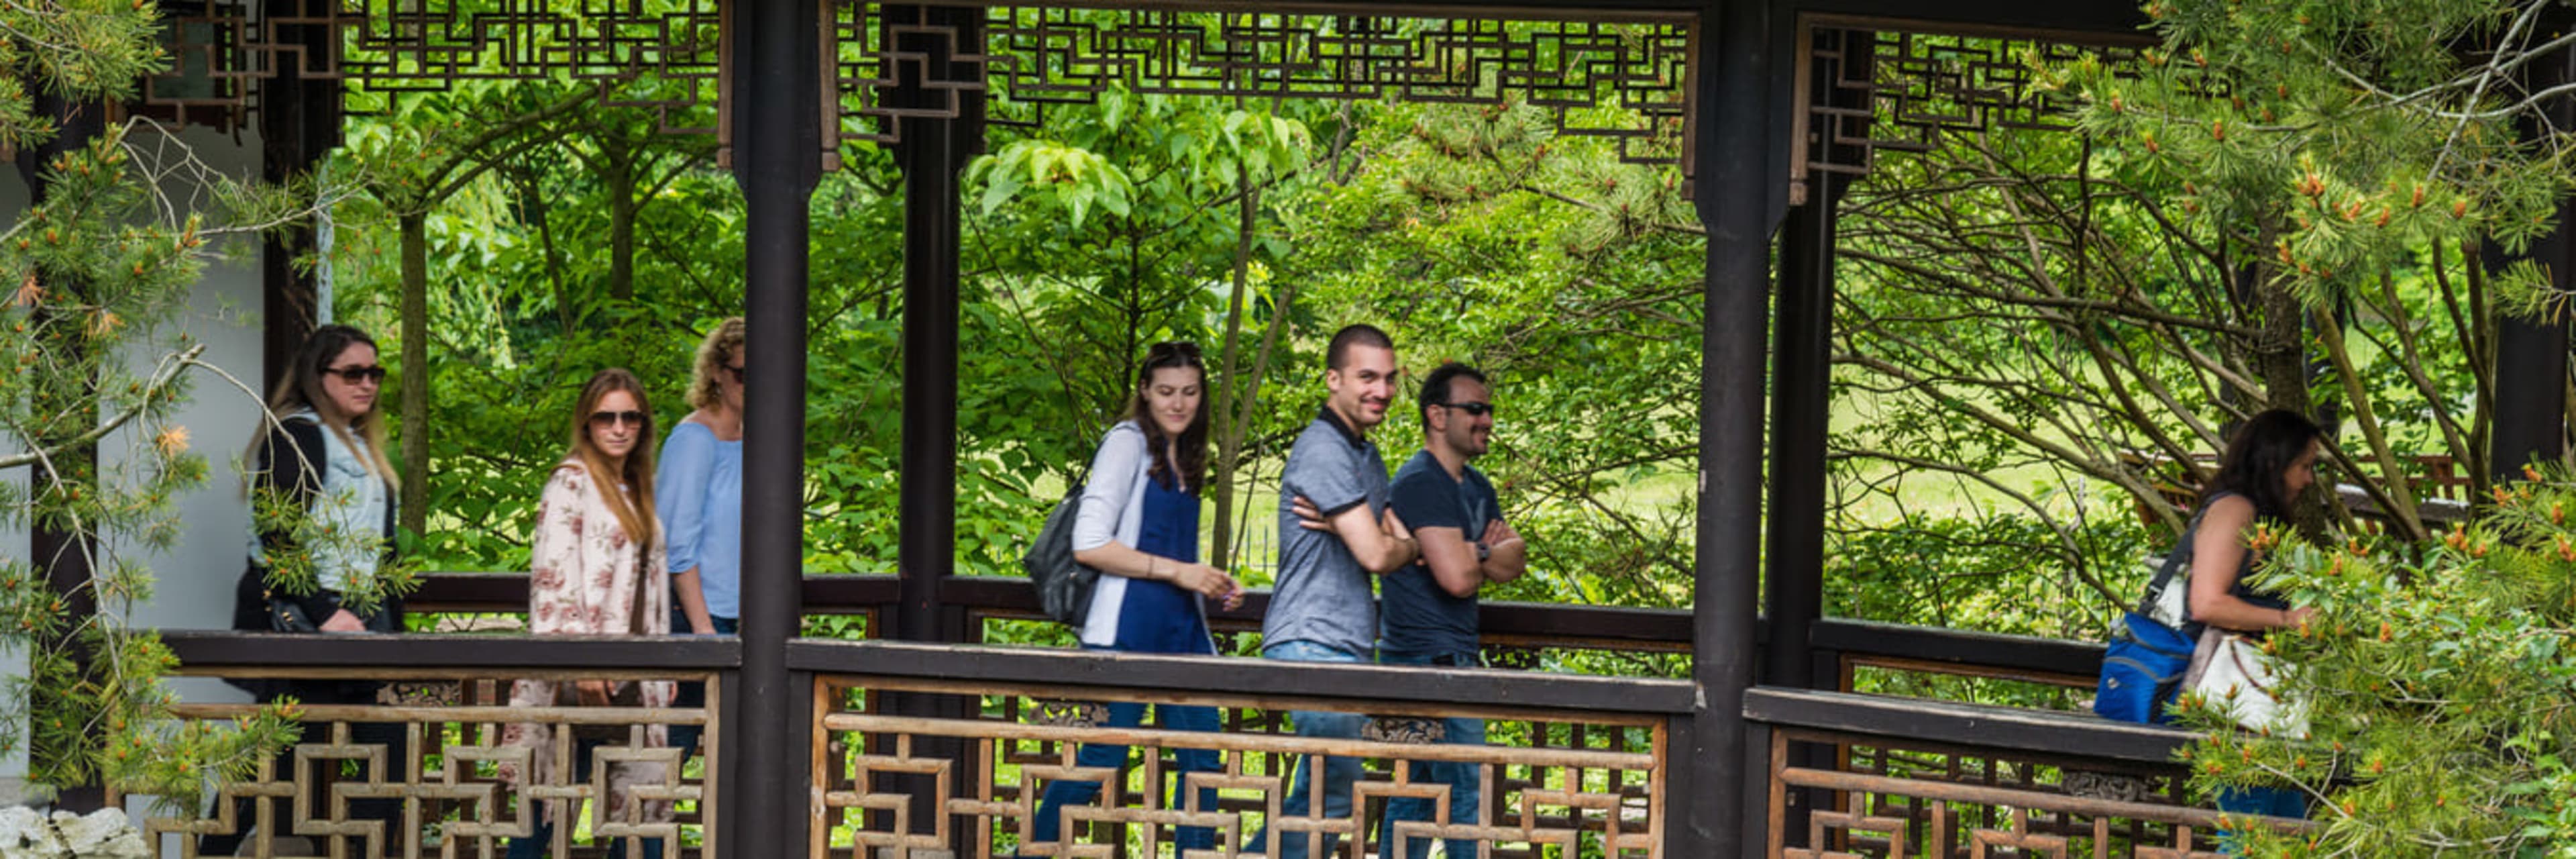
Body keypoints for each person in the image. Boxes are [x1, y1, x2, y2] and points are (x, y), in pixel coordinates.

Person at [1023, 341, 1245, 854]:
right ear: (1144, 392)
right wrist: (1180, 572)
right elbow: (1091, 544)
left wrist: (1210, 580)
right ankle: (1030, 853)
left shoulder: (1187, 455)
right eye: (1166, 391)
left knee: (1203, 764)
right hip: (1125, 633)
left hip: (1183, 635)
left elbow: (1173, 555)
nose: (1178, 404)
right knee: (1097, 763)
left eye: (1190, 392)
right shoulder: (1126, 443)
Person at [206, 323, 407, 856]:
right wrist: (325, 612)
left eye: (375, 373)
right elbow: (277, 537)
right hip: (307, 627)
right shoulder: (298, 435)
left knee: (381, 759)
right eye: (353, 373)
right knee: (272, 765)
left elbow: (383, 552)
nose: (368, 384)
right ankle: (209, 854)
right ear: (319, 377)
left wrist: (400, 636)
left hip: (364, 625)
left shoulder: (364, 446)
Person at [1244, 324, 1420, 859]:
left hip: (1343, 644)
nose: (1383, 391)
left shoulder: (1364, 455)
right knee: (1332, 794)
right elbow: (1377, 553)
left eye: (1390, 379)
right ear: (1334, 379)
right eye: (1367, 377)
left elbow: (1389, 540)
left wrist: (1389, 538)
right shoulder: (1323, 449)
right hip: (1309, 639)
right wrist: (1397, 542)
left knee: (1321, 792)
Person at [499, 368, 676, 859]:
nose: (619, 428)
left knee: (640, 817)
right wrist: (584, 663)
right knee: (544, 812)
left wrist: (663, 667)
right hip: (574, 676)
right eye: (606, 418)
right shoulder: (569, 485)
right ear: (586, 423)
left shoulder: (639, 489)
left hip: (636, 677)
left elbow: (651, 587)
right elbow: (553, 583)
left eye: (630, 418)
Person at [1374, 362, 1525, 859]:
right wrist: (1480, 553)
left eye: (1490, 410)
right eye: (1475, 409)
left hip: (1449, 662)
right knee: (1464, 797)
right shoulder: (1421, 482)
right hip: (1424, 664)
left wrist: (1468, 552)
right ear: (1437, 415)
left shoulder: (1477, 486)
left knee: (1414, 800)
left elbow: (1514, 561)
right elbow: (1459, 579)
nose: (1487, 420)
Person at [2182, 409, 2322, 823]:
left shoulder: (2252, 513)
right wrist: (2288, 620)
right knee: (2253, 835)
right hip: (2234, 706)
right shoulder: (2235, 511)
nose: (2309, 480)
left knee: (2285, 833)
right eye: (2305, 466)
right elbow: (2206, 603)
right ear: (2274, 463)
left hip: (2257, 707)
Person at [659, 317, 743, 769]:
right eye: (743, 374)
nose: (753, 385)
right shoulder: (693, 440)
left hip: (741, 620)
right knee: (664, 763)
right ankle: (632, 843)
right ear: (716, 371)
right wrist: (704, 630)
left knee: (733, 765)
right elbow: (677, 543)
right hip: (695, 620)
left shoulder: (759, 441)